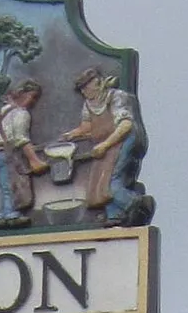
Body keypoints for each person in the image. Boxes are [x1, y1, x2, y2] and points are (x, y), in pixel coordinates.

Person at [57, 66, 145, 224]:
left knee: (112, 181)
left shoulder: (115, 97)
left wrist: (105, 145)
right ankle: (114, 215)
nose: (83, 92)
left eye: (85, 87)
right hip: (103, 144)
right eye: (81, 89)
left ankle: (136, 204)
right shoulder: (88, 104)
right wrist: (71, 134)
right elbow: (88, 126)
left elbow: (125, 125)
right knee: (99, 182)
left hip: (123, 139)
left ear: (96, 83)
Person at [0, 78, 47, 225]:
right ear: (22, 94)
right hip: (5, 155)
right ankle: (11, 215)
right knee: (10, 185)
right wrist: (34, 160)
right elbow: (21, 139)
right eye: (33, 96)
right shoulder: (21, 113)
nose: (33, 101)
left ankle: (0, 214)